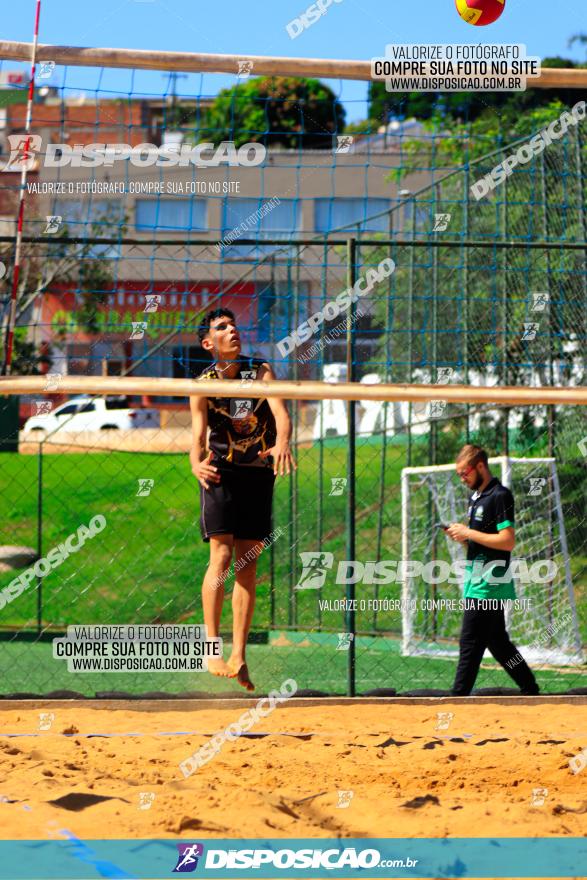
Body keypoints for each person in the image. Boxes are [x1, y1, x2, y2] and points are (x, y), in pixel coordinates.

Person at [189, 308, 295, 691]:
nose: (232, 330)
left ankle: (240, 655)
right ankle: (211, 646)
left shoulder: (260, 371)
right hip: (220, 472)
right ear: (208, 343)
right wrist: (194, 465)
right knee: (220, 554)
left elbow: (282, 414)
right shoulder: (201, 383)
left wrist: (283, 442)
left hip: (257, 472)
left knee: (248, 564)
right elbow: (197, 438)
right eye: (222, 328)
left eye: (233, 326)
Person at [446, 444, 539, 696]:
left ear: (480, 466)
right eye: (459, 475)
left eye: (464, 473)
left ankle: (457, 698)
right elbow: (482, 540)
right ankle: (530, 689)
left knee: (470, 643)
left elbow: (507, 541)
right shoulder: (475, 498)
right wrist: (463, 538)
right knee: (498, 643)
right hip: (477, 580)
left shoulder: (500, 495)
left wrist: (468, 532)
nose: (462, 478)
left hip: (490, 583)